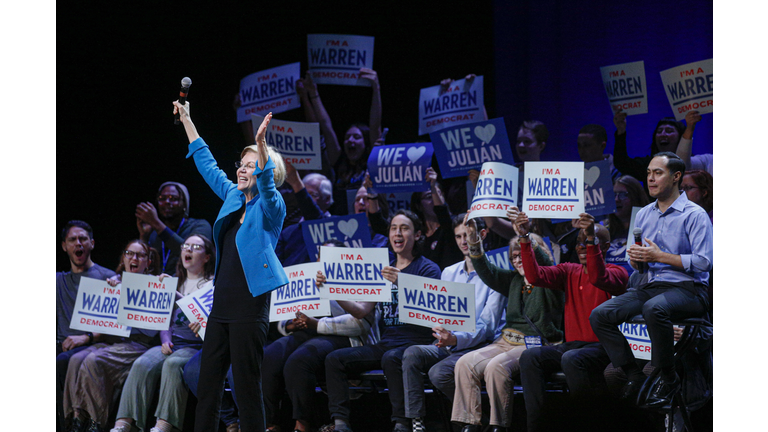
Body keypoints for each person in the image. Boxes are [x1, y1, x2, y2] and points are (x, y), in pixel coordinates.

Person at [173, 99, 289, 432]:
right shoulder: (232, 197)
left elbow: (266, 187)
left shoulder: (271, 209)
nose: (242, 168)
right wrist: (187, 120)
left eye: (251, 165)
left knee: (247, 389)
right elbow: (207, 164)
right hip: (221, 306)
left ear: (266, 171)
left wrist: (262, 144)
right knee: (207, 389)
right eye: (242, 163)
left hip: (250, 308)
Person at [589, 151, 713, 408]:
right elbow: (638, 262)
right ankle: (634, 375)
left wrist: (660, 255)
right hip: (651, 286)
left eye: (658, 173)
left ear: (676, 176)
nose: (651, 178)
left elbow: (704, 262)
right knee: (600, 315)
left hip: (689, 288)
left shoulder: (694, 214)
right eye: (648, 173)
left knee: (653, 308)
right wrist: (637, 259)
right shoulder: (644, 214)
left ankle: (667, 379)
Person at [318, 210, 441, 432]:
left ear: (417, 235)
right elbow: (360, 310)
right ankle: (341, 424)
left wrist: (402, 282)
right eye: (394, 228)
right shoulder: (381, 272)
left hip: (416, 343)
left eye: (404, 228)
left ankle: (401, 423)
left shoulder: (427, 269)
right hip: (387, 343)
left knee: (391, 358)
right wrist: (332, 289)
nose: (398, 233)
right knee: (334, 359)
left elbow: (432, 309)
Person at [516, 212, 628, 432]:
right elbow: (535, 276)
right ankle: (536, 427)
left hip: (603, 348)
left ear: (604, 247)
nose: (581, 247)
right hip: (574, 345)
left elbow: (598, 277)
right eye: (579, 243)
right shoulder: (569, 271)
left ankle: (584, 424)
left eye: (588, 242)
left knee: (572, 358)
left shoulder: (618, 273)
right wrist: (524, 238)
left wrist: (590, 239)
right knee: (530, 357)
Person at [396, 215, 506, 432]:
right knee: (412, 353)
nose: (463, 241)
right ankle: (417, 423)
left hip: (479, 346)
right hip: (449, 343)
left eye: (468, 235)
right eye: (458, 236)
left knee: (439, 373)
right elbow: (437, 313)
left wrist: (455, 338)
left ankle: (479, 419)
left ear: (482, 235)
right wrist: (435, 325)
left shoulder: (496, 274)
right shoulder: (449, 272)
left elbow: (488, 326)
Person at [451, 221, 565, 432]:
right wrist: (474, 240)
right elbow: (485, 269)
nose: (518, 260)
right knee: (464, 363)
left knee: (497, 367)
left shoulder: (552, 279)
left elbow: (544, 262)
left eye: (523, 254)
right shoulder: (513, 281)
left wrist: (525, 237)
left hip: (537, 345)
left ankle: (498, 426)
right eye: (514, 256)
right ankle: (470, 424)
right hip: (505, 342)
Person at [264, 239, 378, 432]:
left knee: (299, 361)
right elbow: (284, 319)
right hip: (308, 332)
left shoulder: (358, 281)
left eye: (330, 257)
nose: (323, 261)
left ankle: (303, 424)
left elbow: (360, 325)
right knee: (270, 356)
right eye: (320, 256)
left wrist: (317, 324)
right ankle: (270, 423)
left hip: (344, 337)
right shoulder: (308, 278)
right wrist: (291, 325)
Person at [110, 234, 215, 432]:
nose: (189, 250)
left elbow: (207, 319)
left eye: (196, 247)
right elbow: (163, 319)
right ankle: (124, 423)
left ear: (207, 257)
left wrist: (174, 294)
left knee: (173, 364)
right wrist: (165, 340)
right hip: (173, 343)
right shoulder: (172, 281)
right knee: (142, 363)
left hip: (196, 346)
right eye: (186, 246)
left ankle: (165, 425)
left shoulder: (211, 285)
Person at [63, 240, 161, 432]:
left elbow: (150, 330)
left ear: (148, 262)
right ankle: (73, 419)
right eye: (129, 253)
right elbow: (103, 322)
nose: (134, 258)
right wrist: (112, 292)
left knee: (93, 361)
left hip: (137, 344)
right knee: (75, 360)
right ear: (124, 258)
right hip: (112, 341)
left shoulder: (155, 285)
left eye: (140, 255)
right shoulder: (115, 282)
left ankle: (93, 421)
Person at [57, 221, 117, 431]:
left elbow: (116, 326)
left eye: (83, 239)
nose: (78, 243)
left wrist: (87, 337)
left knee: (63, 361)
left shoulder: (108, 278)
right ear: (64, 246)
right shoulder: (59, 280)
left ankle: (70, 423)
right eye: (72, 240)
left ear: (91, 244)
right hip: (61, 343)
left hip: (92, 344)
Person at [613, 109, 711, 192]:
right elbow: (622, 163)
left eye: (669, 131)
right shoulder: (648, 165)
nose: (663, 134)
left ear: (680, 137)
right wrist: (621, 131)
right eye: (659, 132)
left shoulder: (693, 164)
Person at [136, 181, 212, 275]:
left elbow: (191, 254)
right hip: (157, 286)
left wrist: (156, 223)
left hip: (187, 286)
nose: (167, 202)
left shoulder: (200, 226)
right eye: (162, 198)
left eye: (173, 198)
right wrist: (144, 236)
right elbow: (143, 264)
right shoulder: (154, 232)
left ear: (184, 204)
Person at [275, 167, 335, 266]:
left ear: (327, 199)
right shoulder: (287, 233)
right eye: (303, 193)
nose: (302, 200)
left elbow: (316, 220)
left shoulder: (336, 226)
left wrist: (297, 184)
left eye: (311, 194)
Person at [409, 167, 464, 269]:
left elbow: (442, 213)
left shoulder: (452, 225)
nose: (435, 200)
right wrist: (373, 196)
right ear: (419, 205)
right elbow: (379, 225)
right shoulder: (416, 233)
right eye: (430, 197)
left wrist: (433, 187)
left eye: (440, 194)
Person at [602, 175, 650, 275]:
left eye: (623, 195)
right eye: (614, 194)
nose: (616, 199)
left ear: (635, 196)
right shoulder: (603, 229)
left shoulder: (649, 226)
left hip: (637, 282)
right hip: (608, 281)